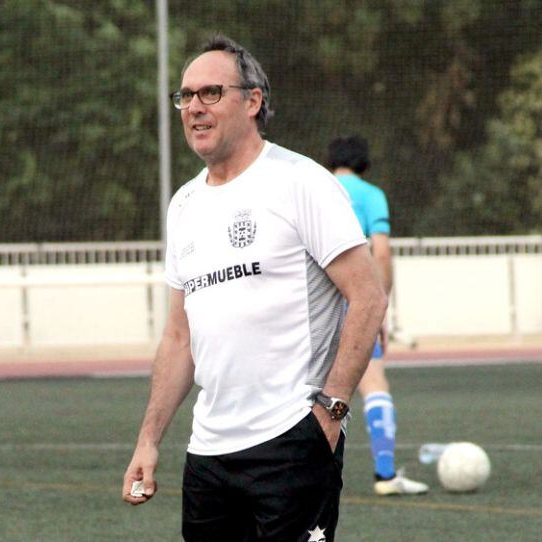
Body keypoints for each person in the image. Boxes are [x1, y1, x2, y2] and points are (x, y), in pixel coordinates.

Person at [122, 34, 387, 542]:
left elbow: (369, 294)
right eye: (185, 96)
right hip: (209, 453)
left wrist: (330, 412)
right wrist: (149, 440)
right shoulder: (183, 206)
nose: (194, 108)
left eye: (211, 93)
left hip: (292, 441)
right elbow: (180, 338)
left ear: (253, 101)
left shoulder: (299, 182)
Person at [327, 135, 429, 496]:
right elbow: (381, 253)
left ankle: (297, 475)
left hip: (315, 306)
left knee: (313, 392)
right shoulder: (370, 195)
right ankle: (385, 475)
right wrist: (379, 303)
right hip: (354, 303)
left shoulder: (316, 190)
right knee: (374, 386)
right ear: (364, 163)